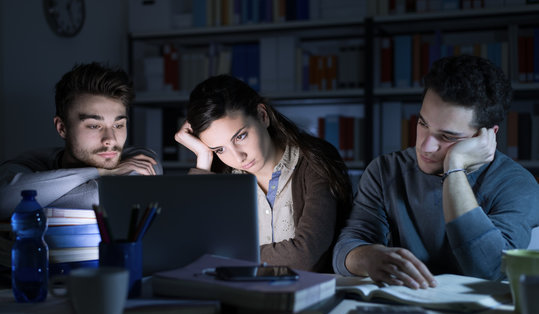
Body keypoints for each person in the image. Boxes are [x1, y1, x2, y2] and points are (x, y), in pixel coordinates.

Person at [333, 54, 539, 289]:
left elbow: (489, 269)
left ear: (487, 135)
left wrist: (454, 168)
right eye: (423, 124)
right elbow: (345, 249)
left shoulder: (518, 185)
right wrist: (369, 257)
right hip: (401, 310)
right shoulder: (385, 170)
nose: (425, 146)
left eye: (448, 137)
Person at [175, 74, 352, 272]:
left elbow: (304, 255)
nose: (238, 157)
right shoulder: (225, 177)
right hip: (244, 295)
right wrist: (204, 157)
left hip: (308, 296)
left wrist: (223, 256)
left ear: (262, 115)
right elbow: (190, 249)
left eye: (240, 136)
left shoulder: (314, 161)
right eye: (220, 149)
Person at [0, 62, 163, 220]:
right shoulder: (31, 162)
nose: (110, 139)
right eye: (94, 126)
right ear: (62, 128)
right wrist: (102, 172)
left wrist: (24, 206)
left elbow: (112, 196)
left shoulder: (141, 159)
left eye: (118, 125)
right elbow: (3, 199)